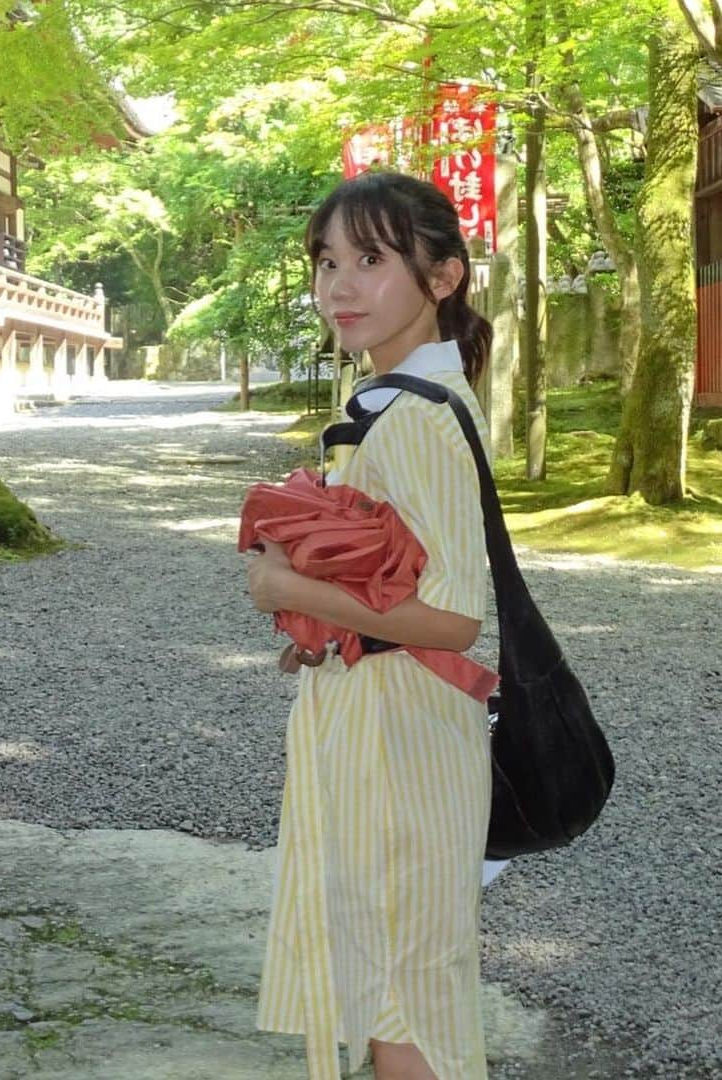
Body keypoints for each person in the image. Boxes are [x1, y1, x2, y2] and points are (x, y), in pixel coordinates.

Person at [248, 171, 494, 1080]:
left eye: (370, 260)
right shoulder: (392, 405)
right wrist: (321, 620)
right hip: (377, 722)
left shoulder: (421, 421)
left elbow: (458, 619)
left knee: (406, 992)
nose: (337, 286)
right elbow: (399, 581)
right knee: (393, 980)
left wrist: (291, 589)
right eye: (325, 262)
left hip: (405, 735)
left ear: (443, 278)